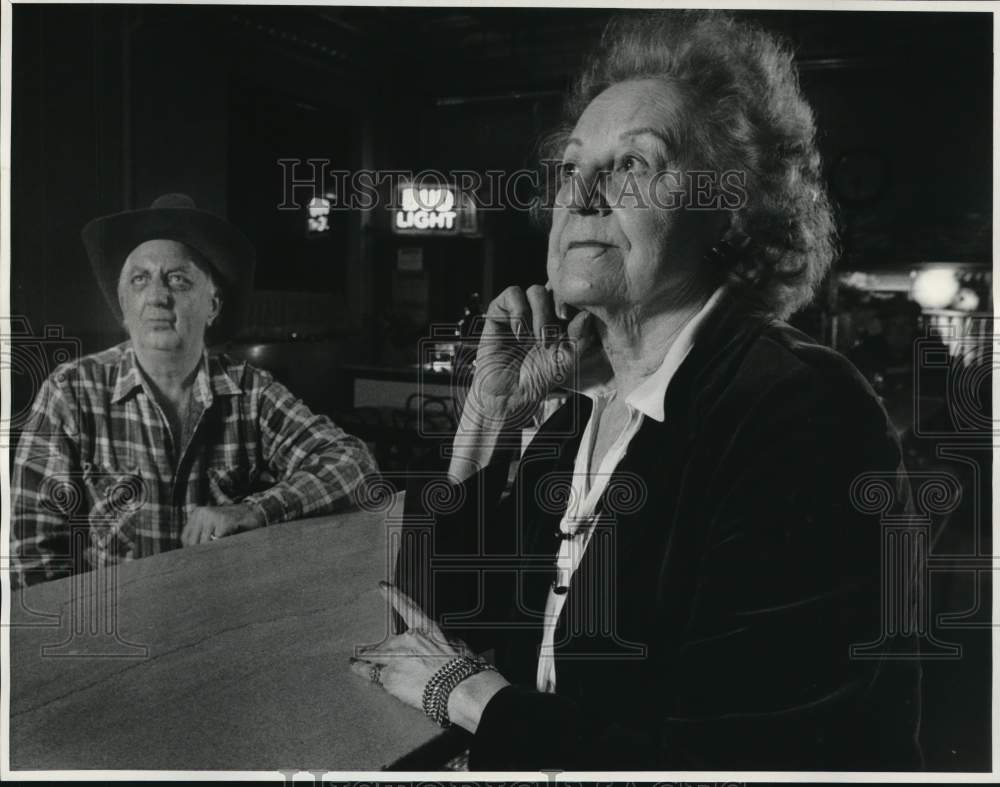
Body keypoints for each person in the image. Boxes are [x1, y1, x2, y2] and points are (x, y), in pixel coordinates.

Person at [349, 11, 922, 771]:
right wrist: (491, 413)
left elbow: (734, 755)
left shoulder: (798, 408)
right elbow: (449, 609)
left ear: (730, 208)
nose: (582, 195)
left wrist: (468, 696)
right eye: (570, 169)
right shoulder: (585, 404)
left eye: (633, 166)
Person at [11, 194, 378, 587]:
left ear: (213, 305)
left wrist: (255, 510)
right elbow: (32, 550)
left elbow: (355, 464)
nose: (157, 295)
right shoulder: (72, 392)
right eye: (140, 279)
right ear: (123, 305)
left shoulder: (251, 393)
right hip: (116, 630)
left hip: (221, 621)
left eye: (178, 279)